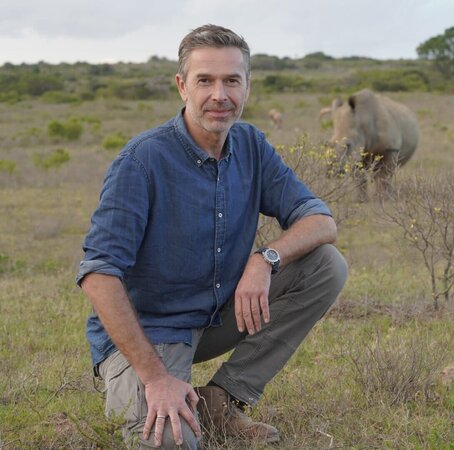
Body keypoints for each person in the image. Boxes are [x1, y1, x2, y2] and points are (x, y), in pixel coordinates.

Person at [76, 24, 348, 449]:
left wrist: (265, 260)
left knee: (325, 265)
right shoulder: (142, 161)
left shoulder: (251, 144)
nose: (219, 95)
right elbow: (98, 275)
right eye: (205, 80)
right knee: (172, 441)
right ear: (183, 86)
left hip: (216, 315)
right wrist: (156, 378)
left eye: (231, 81)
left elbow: (320, 220)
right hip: (151, 334)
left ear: (247, 87)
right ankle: (150, 389)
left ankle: (222, 398)